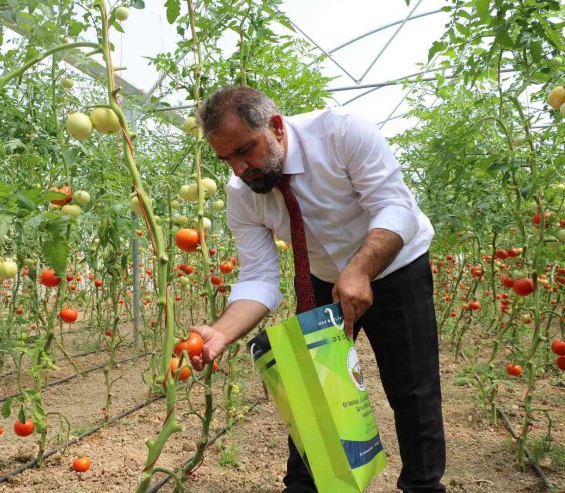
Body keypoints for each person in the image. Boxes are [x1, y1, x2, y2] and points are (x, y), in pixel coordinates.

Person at [189, 86, 446, 493]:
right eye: (227, 160)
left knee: (413, 389)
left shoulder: (342, 134)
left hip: (397, 265)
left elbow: (395, 207)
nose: (239, 169)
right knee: (312, 391)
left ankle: (423, 485)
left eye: (244, 151)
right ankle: (304, 486)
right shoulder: (243, 195)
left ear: (275, 127)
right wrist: (222, 332)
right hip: (323, 277)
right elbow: (259, 277)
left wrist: (361, 268)